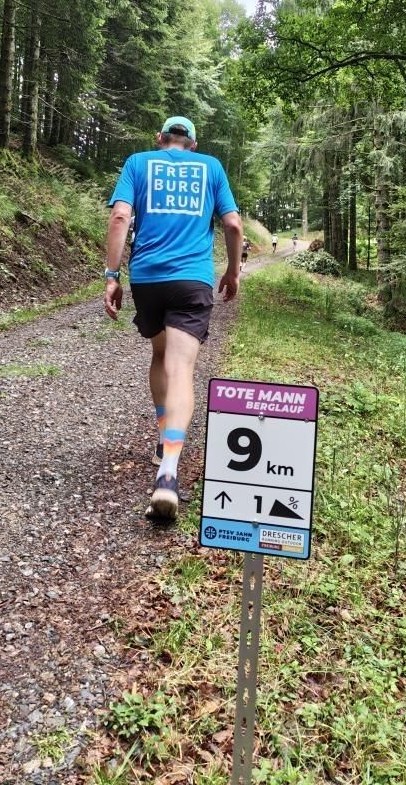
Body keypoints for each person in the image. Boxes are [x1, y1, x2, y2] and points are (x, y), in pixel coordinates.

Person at [104, 116, 243, 520]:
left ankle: (163, 437)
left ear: (160, 138)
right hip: (192, 279)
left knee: (160, 355)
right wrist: (233, 271)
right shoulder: (211, 167)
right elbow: (232, 223)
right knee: (181, 368)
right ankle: (168, 472)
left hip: (148, 278)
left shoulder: (138, 163)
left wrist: (112, 276)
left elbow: (119, 217)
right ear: (193, 144)